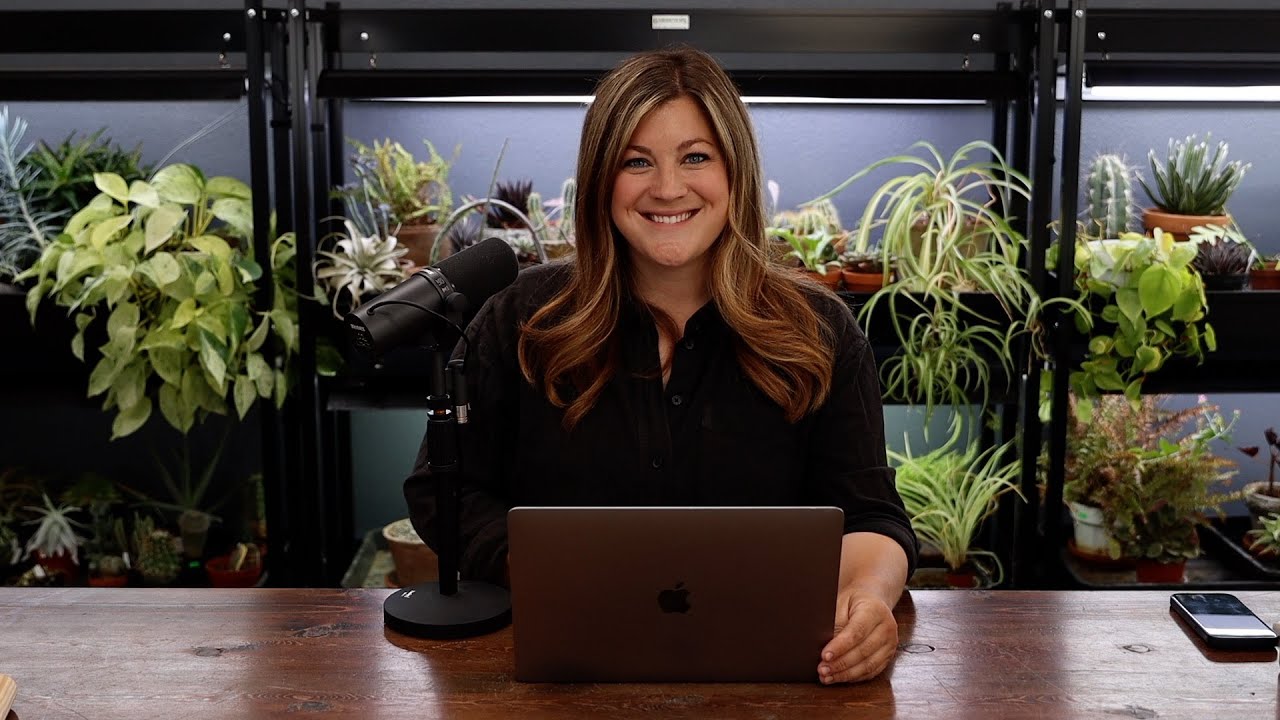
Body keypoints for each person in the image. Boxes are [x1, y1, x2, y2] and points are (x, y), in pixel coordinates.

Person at [405, 46, 918, 684]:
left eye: (695, 157)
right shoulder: (521, 321)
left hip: (772, 682)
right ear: (601, 180)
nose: (668, 188)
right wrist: (538, 570)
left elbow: (872, 517)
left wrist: (869, 596)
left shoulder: (819, 331)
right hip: (559, 679)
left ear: (736, 173)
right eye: (636, 161)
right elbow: (445, 493)